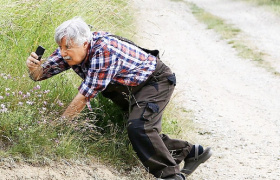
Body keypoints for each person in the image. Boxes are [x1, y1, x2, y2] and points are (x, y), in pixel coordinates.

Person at [26, 17, 212, 180]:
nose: (63, 52)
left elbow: (84, 97)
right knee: (142, 130)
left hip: (155, 81)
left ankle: (170, 176)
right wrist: (34, 68)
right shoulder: (70, 51)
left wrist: (58, 128)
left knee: (140, 127)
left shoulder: (104, 50)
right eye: (60, 47)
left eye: (67, 47)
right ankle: (191, 152)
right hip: (132, 86)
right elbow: (39, 75)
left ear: (84, 43)